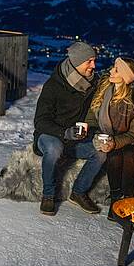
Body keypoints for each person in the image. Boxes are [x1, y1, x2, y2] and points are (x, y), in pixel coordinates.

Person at [33, 42, 107, 216]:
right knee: (54, 148)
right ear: (76, 62)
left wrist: (93, 131)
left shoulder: (92, 84)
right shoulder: (53, 85)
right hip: (50, 135)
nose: (94, 66)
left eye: (94, 60)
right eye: (89, 61)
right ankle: (48, 195)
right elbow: (40, 121)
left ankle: (78, 192)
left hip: (75, 139)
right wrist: (64, 132)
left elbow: (92, 114)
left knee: (100, 152)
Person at [89, 56, 134, 221]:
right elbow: (92, 118)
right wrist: (95, 136)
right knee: (114, 156)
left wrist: (114, 142)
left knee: (129, 154)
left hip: (128, 141)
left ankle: (127, 201)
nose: (110, 71)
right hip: (105, 138)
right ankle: (116, 200)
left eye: (116, 70)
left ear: (125, 76)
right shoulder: (104, 91)